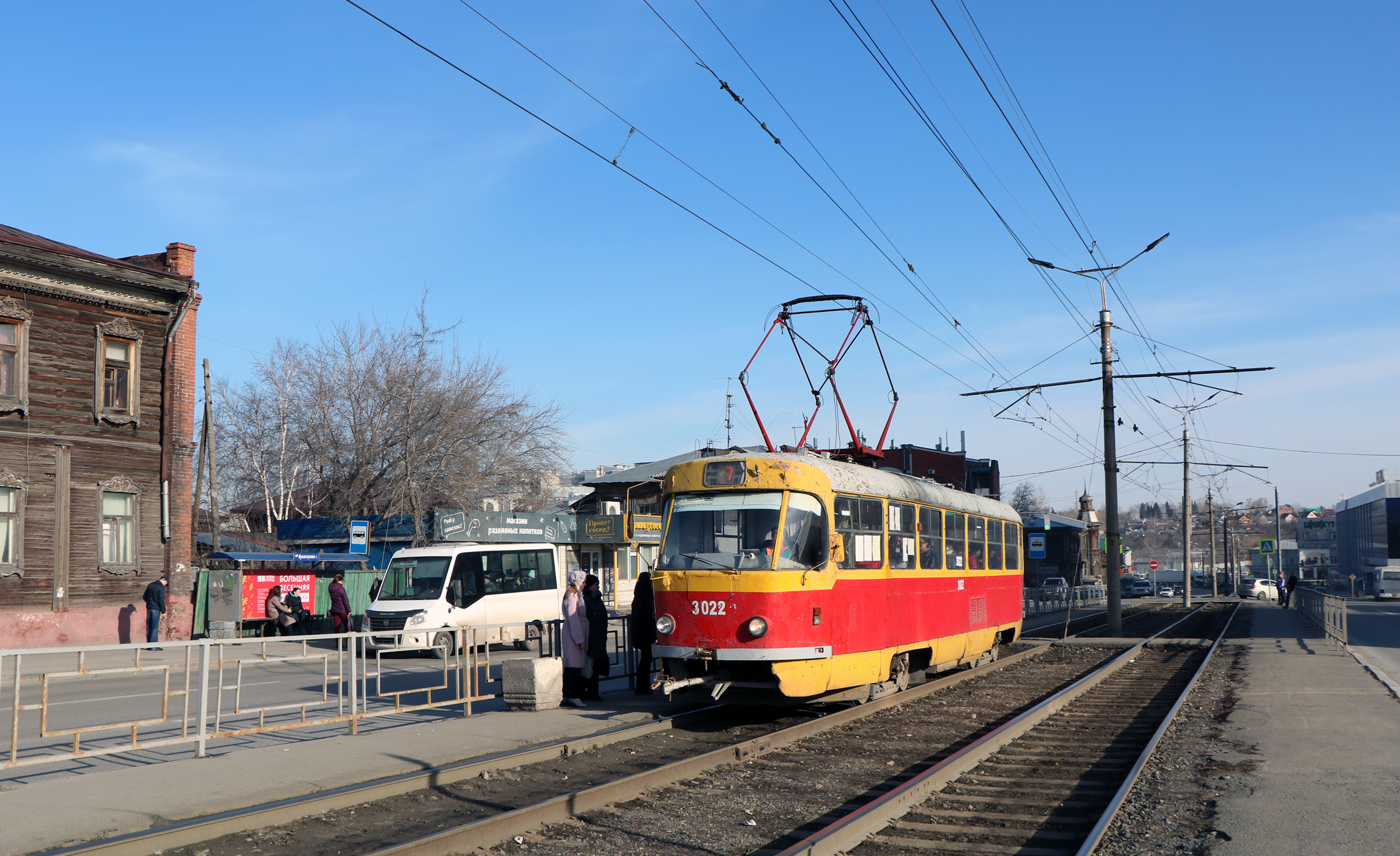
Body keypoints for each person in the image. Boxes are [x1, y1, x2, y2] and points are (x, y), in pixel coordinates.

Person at [561, 570, 590, 708]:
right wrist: (580, 639)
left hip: (574, 632)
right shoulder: (573, 596)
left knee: (572, 666)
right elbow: (574, 619)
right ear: (578, 582)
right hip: (574, 634)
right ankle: (573, 695)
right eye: (583, 581)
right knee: (574, 666)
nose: (584, 584)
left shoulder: (575, 594)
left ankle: (568, 695)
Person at [581, 574, 610, 701]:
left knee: (596, 666)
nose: (598, 587)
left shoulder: (597, 598)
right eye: (596, 585)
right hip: (591, 637)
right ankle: (584, 692)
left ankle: (593, 692)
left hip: (600, 637)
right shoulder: (586, 599)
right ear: (590, 586)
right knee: (590, 667)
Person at [629, 571, 657, 695]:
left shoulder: (637, 596)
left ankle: (641, 685)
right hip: (646, 632)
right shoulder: (648, 596)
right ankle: (642, 685)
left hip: (638, 632)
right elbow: (650, 615)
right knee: (646, 660)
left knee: (644, 660)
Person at [142, 575, 168, 649]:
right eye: (166, 583)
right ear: (165, 581)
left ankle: (149, 645)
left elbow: (144, 596)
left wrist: (149, 603)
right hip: (156, 609)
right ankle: (153, 646)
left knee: (149, 627)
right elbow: (161, 600)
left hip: (149, 608)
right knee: (154, 627)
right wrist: (164, 611)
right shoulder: (161, 588)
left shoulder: (150, 585)